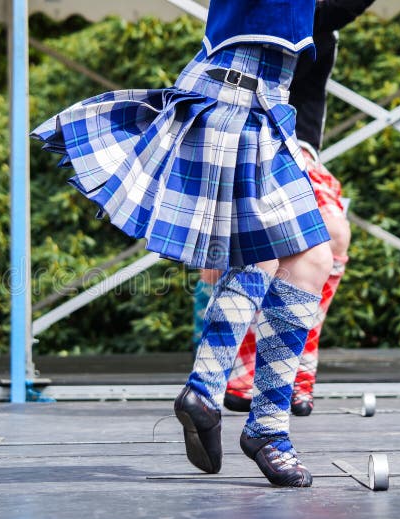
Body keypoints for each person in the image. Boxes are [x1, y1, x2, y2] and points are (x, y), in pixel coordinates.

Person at [33, 0, 332, 486]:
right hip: (240, 95)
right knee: (271, 251)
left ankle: (225, 399)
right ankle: (255, 420)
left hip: (258, 100)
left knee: (305, 257)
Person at [204, 0, 376, 416]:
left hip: (296, 148)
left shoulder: (318, 16)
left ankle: (292, 367)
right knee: (258, 252)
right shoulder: (264, 11)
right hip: (246, 140)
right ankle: (244, 372)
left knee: (333, 236)